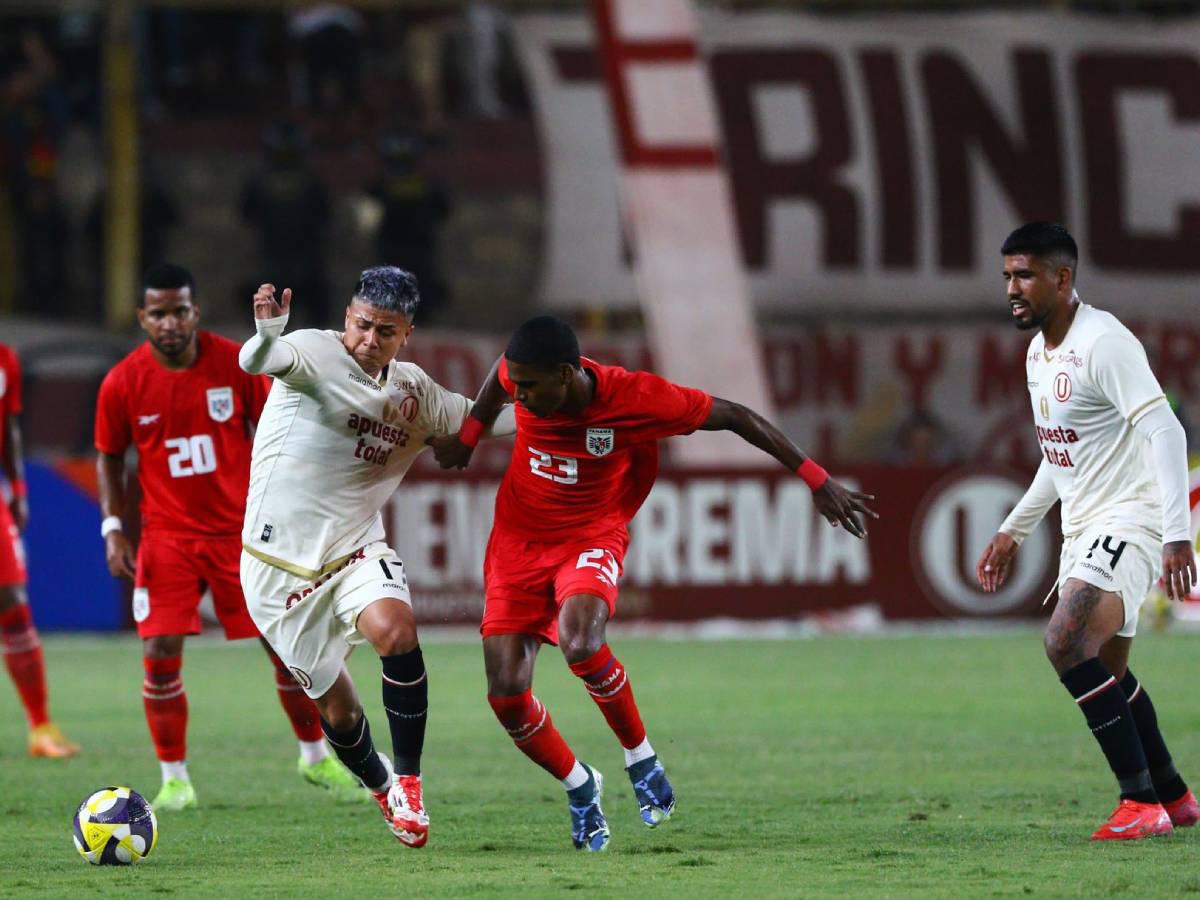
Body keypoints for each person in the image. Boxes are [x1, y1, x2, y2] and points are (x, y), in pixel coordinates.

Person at [427, 315, 877, 852]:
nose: (517, 396)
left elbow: (734, 416)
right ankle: (580, 785)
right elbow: (497, 379)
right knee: (505, 694)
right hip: (516, 543)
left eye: (528, 387)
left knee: (580, 642)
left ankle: (640, 757)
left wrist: (816, 480)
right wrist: (471, 436)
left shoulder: (636, 398)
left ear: (567, 374)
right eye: (516, 384)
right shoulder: (520, 373)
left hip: (591, 534)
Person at [237, 267, 513, 848]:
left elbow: (485, 422)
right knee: (338, 714)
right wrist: (266, 332)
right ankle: (382, 785)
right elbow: (257, 362)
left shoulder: (416, 392)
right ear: (347, 317)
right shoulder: (313, 352)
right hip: (274, 568)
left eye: (385, 332)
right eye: (362, 325)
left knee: (397, 630)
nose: (369, 339)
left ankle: (410, 781)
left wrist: (567, 409)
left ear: (406, 333)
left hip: (357, 548)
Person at [95, 263, 360, 812]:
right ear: (143, 317)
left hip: (242, 535)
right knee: (160, 652)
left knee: (287, 648)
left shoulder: (235, 365)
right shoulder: (122, 382)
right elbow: (109, 458)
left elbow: (279, 431)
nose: (170, 322)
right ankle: (175, 780)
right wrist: (114, 526)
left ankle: (315, 759)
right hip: (166, 538)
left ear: (196, 312)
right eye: (158, 312)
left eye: (179, 310)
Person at [975, 222, 1197, 841]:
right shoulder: (1038, 353)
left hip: (1131, 517)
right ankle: (1174, 797)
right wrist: (1014, 530)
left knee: (1065, 640)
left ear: (1062, 278)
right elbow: (1062, 451)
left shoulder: (1104, 342)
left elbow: (1166, 432)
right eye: (1007, 277)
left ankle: (1138, 804)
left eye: (1024, 275)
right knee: (1108, 673)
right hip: (1085, 526)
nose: (1012, 289)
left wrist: (1177, 535)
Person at [0, 340, 79, 757]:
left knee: (12, 600)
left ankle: (41, 728)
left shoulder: (6, 359)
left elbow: (9, 426)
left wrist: (16, 488)